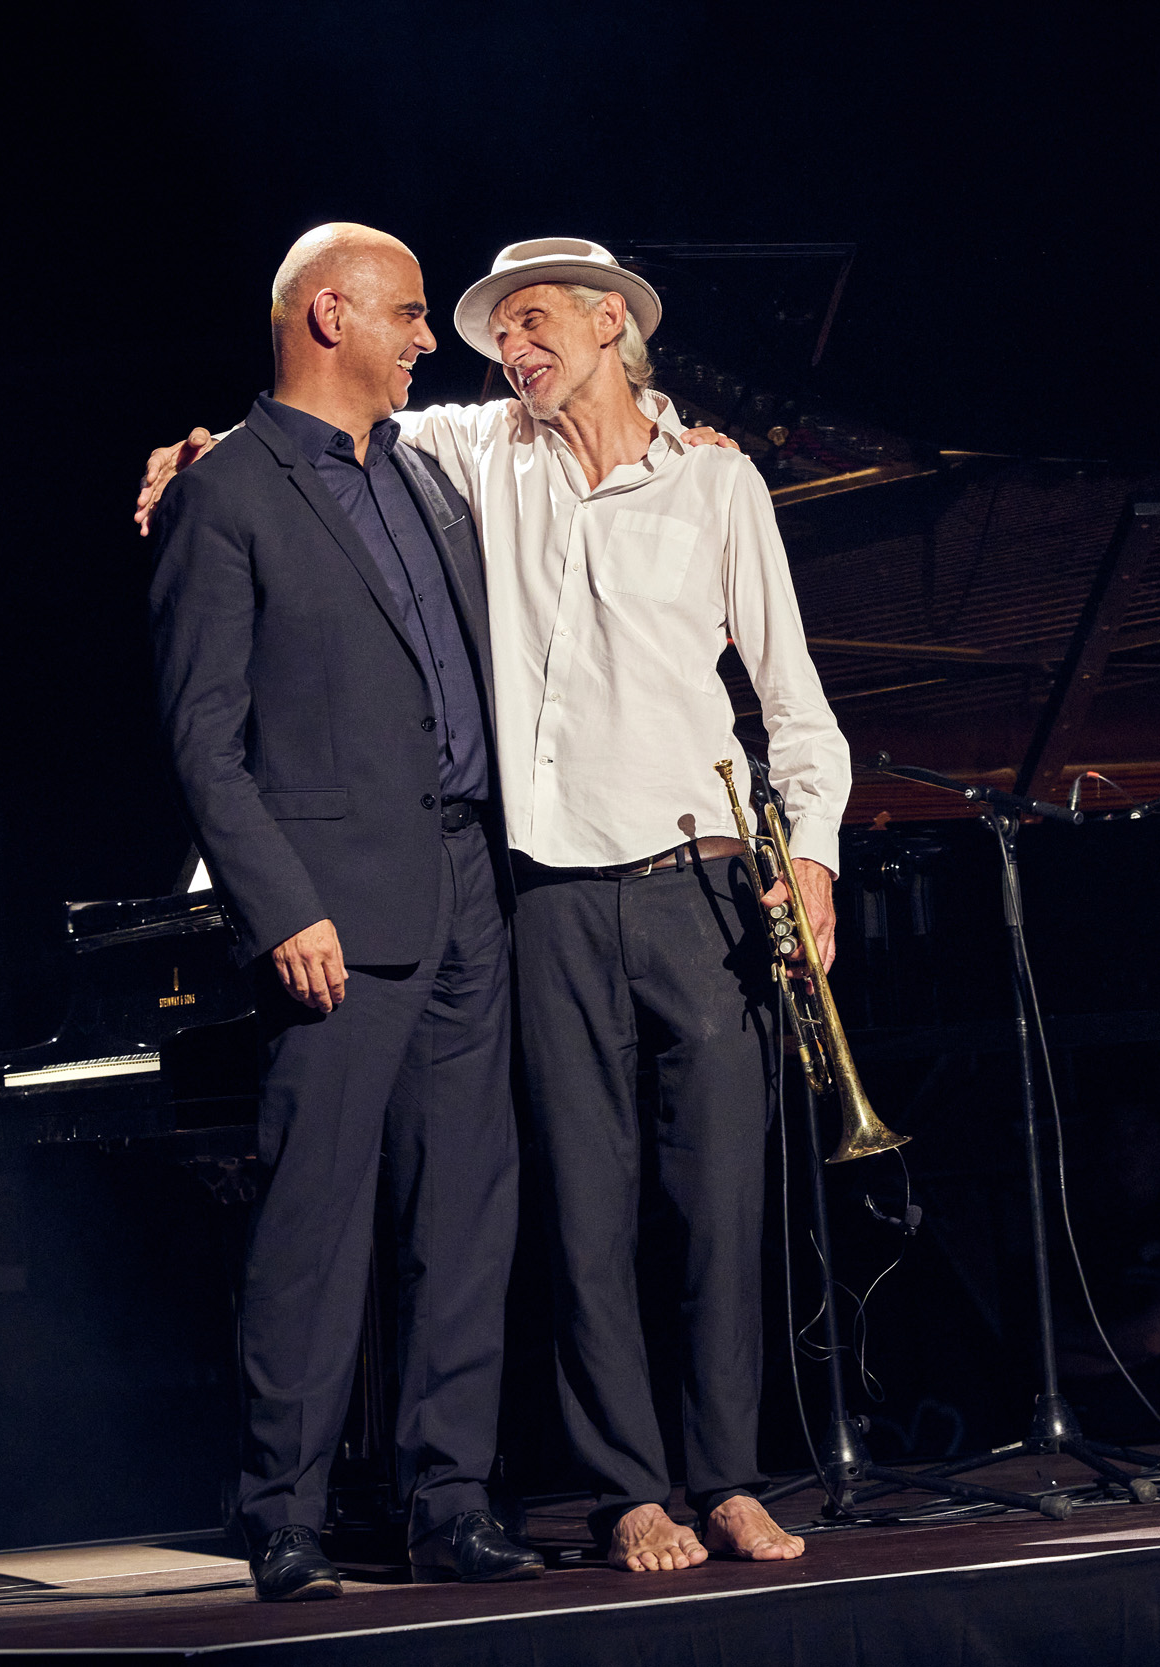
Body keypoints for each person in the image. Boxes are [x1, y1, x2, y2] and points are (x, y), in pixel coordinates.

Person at [139, 238, 850, 1574]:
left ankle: (603, 1488)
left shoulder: (661, 477)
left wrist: (810, 851)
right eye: (461, 326)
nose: (483, 348)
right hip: (479, 899)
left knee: (605, 1213)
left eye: (526, 323)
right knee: (499, 1217)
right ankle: (429, 1504)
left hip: (608, 885)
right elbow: (289, 467)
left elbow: (794, 699)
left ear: (608, 322)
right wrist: (191, 454)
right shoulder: (450, 458)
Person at [147, 223, 540, 1601]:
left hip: (466, 886)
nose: (429, 337)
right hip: (330, 913)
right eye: (411, 312)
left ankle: (451, 1501)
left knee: (466, 1212)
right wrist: (280, 908)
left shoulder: (423, 472)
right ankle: (285, 1514)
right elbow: (203, 741)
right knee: (313, 1219)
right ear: (329, 315)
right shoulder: (225, 493)